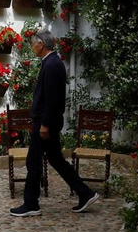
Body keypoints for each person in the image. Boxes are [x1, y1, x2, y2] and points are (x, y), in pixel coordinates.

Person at [9, 27, 99, 217]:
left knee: (33, 162)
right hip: (47, 121)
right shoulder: (52, 62)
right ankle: (85, 193)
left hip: (44, 123)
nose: (32, 46)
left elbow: (52, 99)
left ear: (41, 44)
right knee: (56, 159)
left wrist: (45, 124)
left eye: (34, 43)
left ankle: (31, 204)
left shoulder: (51, 65)